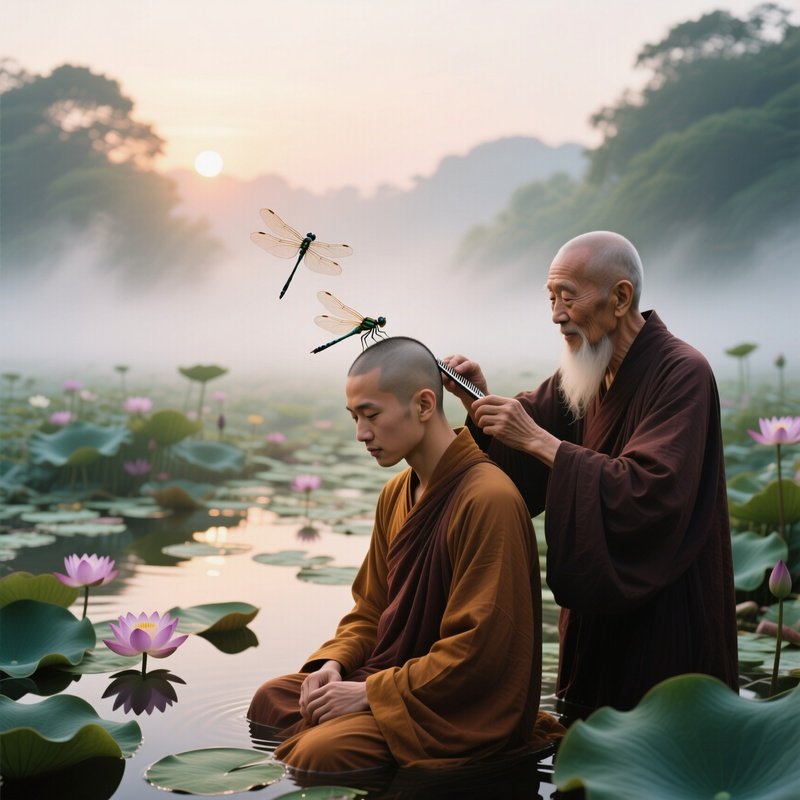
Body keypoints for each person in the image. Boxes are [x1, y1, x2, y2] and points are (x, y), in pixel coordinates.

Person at [443, 231, 739, 713]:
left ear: (620, 297)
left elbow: (650, 492)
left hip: (667, 622)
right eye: (550, 297)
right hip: (595, 622)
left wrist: (540, 440)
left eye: (568, 296)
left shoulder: (684, 372)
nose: (557, 314)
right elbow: (518, 467)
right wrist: (474, 400)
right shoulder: (583, 372)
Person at [248, 336, 559, 773]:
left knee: (320, 753)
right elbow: (372, 610)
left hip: (456, 705)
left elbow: (479, 650)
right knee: (271, 700)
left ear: (425, 405)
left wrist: (368, 695)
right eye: (355, 417)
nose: (361, 434)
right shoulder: (396, 493)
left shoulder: (489, 498)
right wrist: (334, 664)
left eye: (371, 415)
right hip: (395, 678)